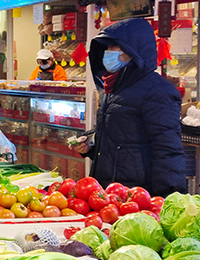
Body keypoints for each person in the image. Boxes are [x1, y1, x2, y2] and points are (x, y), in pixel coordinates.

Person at [71, 18, 186, 197]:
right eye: (106, 48)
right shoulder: (113, 85)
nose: (107, 53)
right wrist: (92, 144)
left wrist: (168, 199)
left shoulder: (157, 91)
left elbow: (167, 150)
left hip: (138, 195)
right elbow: (121, 137)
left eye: (113, 48)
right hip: (109, 193)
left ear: (134, 51)